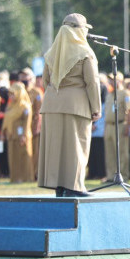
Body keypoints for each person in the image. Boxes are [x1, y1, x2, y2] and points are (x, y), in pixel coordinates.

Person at [37, 13, 101, 197]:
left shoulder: (51, 53)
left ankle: (59, 187)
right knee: (76, 146)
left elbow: (46, 81)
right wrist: (96, 108)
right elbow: (92, 82)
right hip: (76, 106)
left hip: (51, 105)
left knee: (55, 146)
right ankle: (75, 186)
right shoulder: (85, 53)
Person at [104, 72, 130, 181]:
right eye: (110, 80)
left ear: (120, 80)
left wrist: (128, 126)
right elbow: (106, 113)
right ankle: (110, 175)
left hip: (120, 124)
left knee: (122, 152)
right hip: (109, 125)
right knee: (110, 152)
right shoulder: (109, 94)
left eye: (113, 79)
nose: (111, 82)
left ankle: (123, 175)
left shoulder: (125, 93)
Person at [2, 82, 33, 183]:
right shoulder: (11, 106)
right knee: (13, 157)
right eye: (10, 94)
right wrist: (4, 132)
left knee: (23, 157)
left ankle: (26, 178)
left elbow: (27, 123)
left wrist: (23, 135)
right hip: (12, 135)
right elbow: (6, 120)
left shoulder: (25, 106)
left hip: (21, 136)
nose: (11, 96)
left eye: (13, 94)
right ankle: (15, 178)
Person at [19, 67, 43, 178]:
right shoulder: (19, 91)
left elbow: (39, 111)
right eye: (22, 76)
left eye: (26, 76)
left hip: (33, 125)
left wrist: (37, 127)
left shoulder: (36, 92)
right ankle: (25, 174)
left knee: (35, 151)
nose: (24, 78)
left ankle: (35, 174)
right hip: (22, 125)